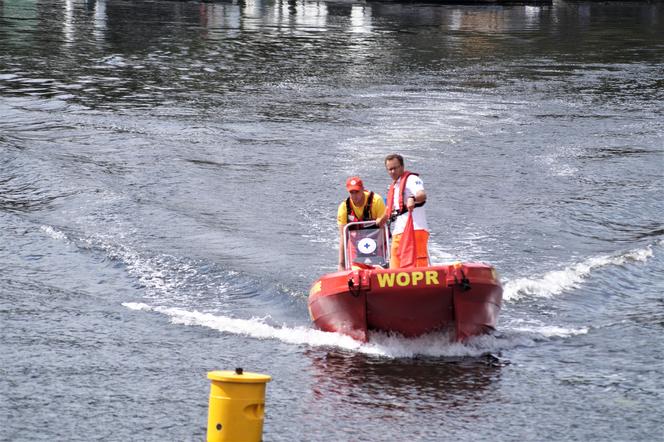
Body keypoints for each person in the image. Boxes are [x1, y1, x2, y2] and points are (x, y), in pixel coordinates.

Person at [376, 154, 430, 268]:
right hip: (398, 231)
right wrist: (381, 220)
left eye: (395, 168)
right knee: (395, 264)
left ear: (402, 166)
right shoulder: (394, 186)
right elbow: (392, 209)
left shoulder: (412, 179)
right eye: (390, 169)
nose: (392, 171)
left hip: (415, 229)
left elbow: (422, 194)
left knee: (418, 266)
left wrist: (412, 198)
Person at [337, 176, 386, 271]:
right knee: (355, 271)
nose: (354, 195)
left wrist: (375, 251)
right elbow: (343, 237)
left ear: (363, 189)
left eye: (357, 192)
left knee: (379, 270)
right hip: (356, 248)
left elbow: (383, 228)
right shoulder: (344, 208)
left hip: (377, 244)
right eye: (352, 192)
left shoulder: (376, 201)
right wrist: (341, 264)